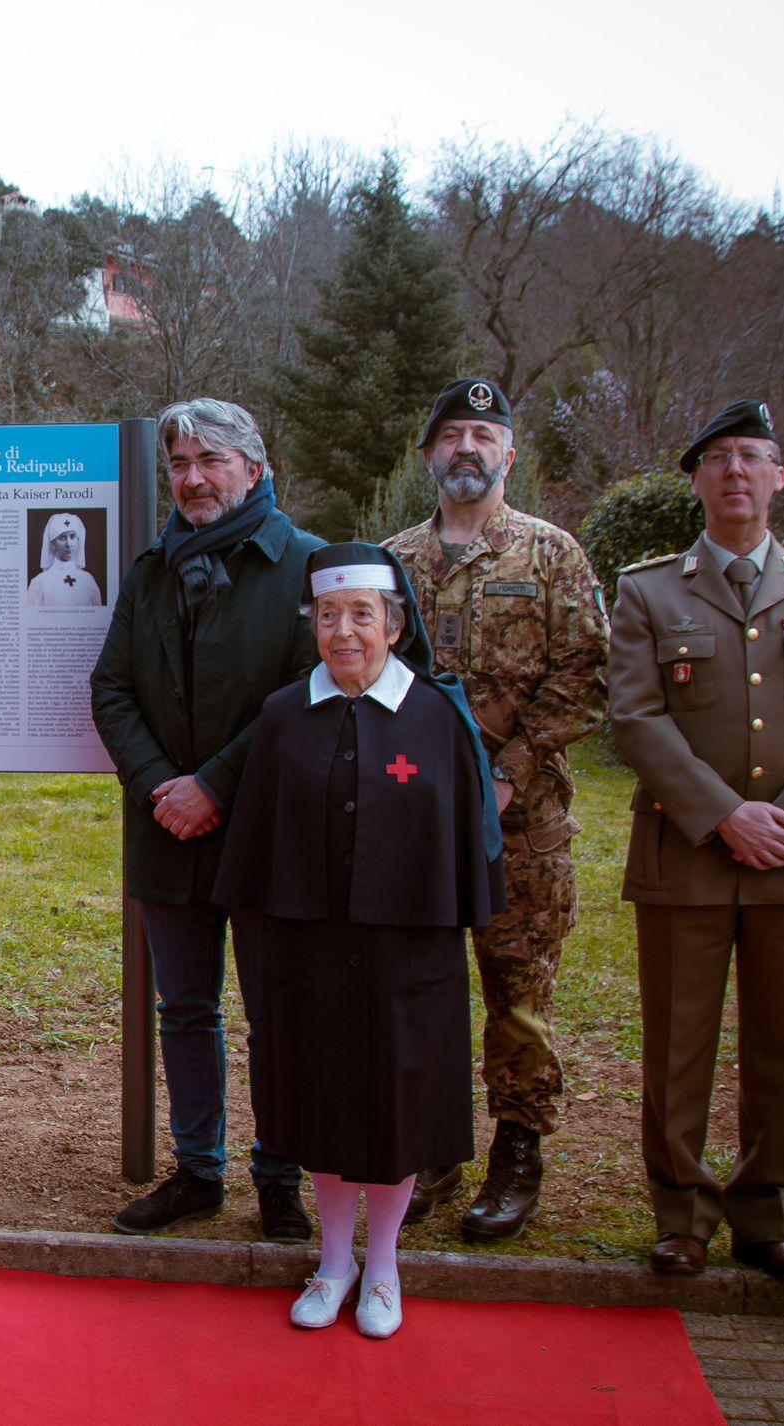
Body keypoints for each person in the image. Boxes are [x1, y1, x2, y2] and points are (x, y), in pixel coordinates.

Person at [610, 400, 784, 1282]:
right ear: (695, 479)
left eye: (752, 457)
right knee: (678, 1044)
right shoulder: (649, 588)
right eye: (718, 458)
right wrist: (725, 814)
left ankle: (768, 1216)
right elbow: (637, 717)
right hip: (687, 854)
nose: (735, 472)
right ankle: (681, 1217)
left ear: (779, 477)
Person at [215, 542, 505, 1339]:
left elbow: (464, 838)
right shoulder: (281, 716)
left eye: (363, 616)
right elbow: (255, 848)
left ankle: (384, 1269)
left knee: (397, 1103)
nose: (345, 633)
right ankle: (333, 1261)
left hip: (406, 954)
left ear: (395, 624)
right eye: (329, 616)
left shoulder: (437, 716)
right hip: (309, 951)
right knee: (325, 1102)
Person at [89, 398, 325, 1241]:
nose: (192, 478)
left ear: (256, 470)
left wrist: (214, 786)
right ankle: (198, 1172)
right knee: (183, 1009)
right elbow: (111, 687)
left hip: (267, 832)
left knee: (276, 1012)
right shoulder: (153, 569)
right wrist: (162, 786)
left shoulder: (306, 566)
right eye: (180, 465)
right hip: (166, 829)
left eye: (211, 460)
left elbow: (308, 696)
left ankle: (280, 1178)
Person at [383, 377, 609, 1240]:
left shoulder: (552, 555)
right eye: (450, 436)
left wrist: (508, 770)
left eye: (482, 434)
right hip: (418, 821)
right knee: (422, 990)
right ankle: (435, 1150)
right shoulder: (393, 559)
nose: (465, 448)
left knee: (517, 997)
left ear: (509, 453)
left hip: (523, 825)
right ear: (428, 455)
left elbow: (587, 674)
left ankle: (518, 1153)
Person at [27, 513, 102, 607]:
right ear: (52, 544)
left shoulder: (88, 580)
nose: (69, 544)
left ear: (78, 540)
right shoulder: (39, 582)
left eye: (72, 536)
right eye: (62, 538)